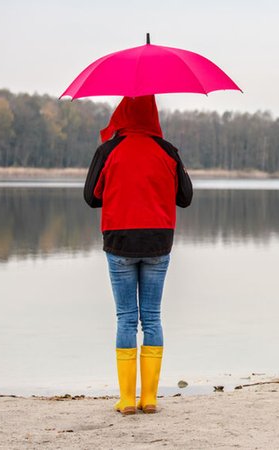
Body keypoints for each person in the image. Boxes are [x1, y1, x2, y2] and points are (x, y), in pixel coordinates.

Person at [84, 95, 193, 415]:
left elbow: (91, 197)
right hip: (158, 242)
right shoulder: (167, 150)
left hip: (119, 240)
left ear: (122, 112)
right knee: (153, 317)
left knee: (126, 318)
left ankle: (127, 400)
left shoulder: (108, 151)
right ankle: (150, 398)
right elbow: (185, 198)